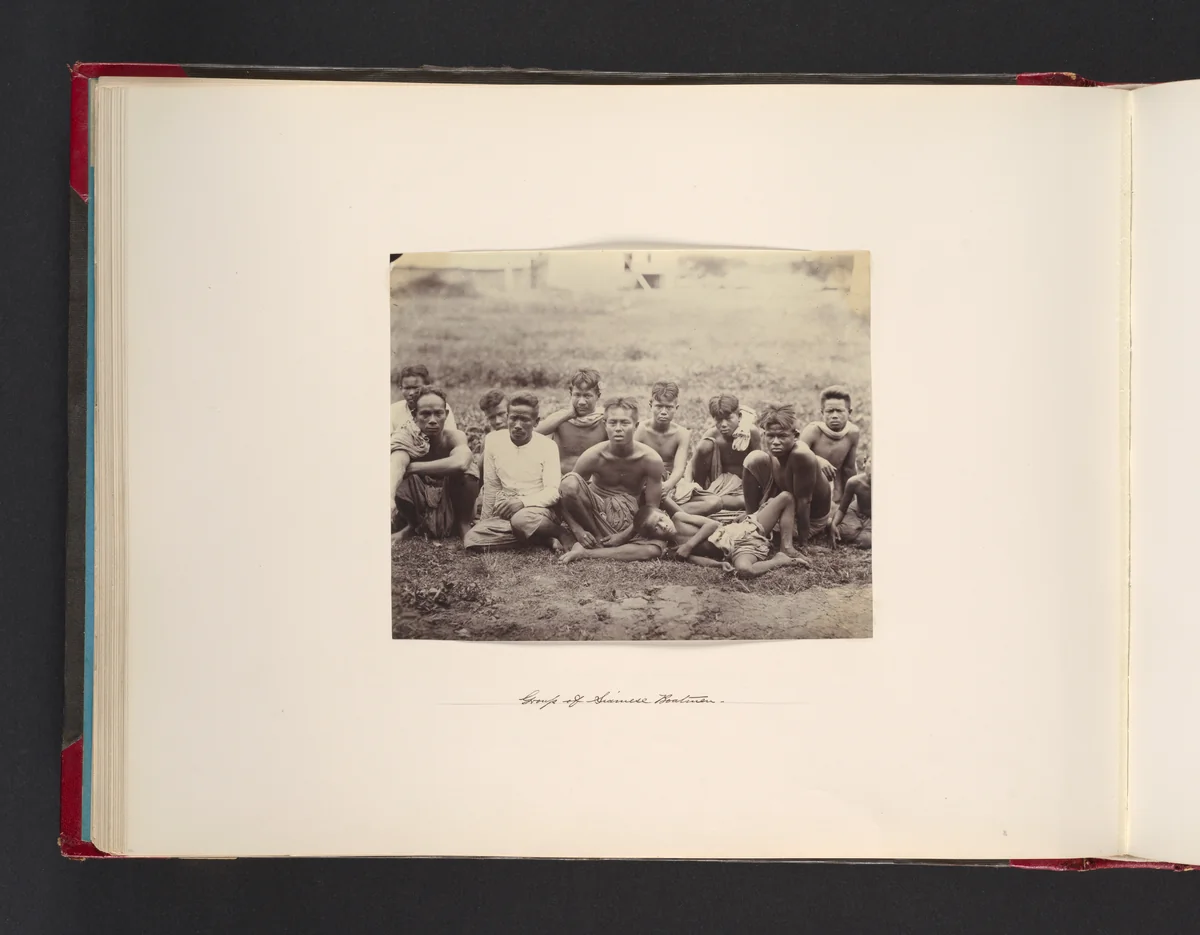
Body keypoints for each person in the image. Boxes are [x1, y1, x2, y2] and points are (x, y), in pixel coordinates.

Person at [556, 396, 666, 554]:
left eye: (625, 423)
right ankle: (596, 537)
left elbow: (651, 508)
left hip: (631, 519)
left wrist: (624, 536)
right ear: (604, 425)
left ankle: (593, 552)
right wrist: (578, 529)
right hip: (594, 515)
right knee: (568, 483)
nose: (618, 428)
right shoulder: (594, 455)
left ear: (636, 426)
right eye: (613, 423)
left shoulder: (650, 459)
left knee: (652, 550)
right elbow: (564, 494)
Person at [463, 392, 569, 553]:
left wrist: (522, 502)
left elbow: (553, 492)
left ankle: (560, 533)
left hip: (539, 510)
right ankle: (543, 539)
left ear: (536, 422)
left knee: (521, 520)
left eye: (525, 420)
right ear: (508, 418)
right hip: (506, 510)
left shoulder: (548, 446)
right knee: (472, 539)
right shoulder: (493, 441)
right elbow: (492, 486)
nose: (518, 425)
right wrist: (485, 521)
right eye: (513, 418)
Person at [741, 403, 833, 557]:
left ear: (795, 436)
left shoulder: (800, 455)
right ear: (764, 435)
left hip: (809, 521)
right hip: (788, 504)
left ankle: (756, 527)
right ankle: (751, 518)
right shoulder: (777, 450)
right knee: (754, 458)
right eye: (771, 435)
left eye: (782, 436)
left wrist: (804, 544)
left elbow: (805, 502)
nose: (775, 441)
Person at [391, 387, 478, 541]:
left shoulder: (454, 437)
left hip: (451, 498)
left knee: (470, 471)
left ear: (446, 414)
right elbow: (396, 466)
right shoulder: (405, 438)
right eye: (425, 414)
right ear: (414, 415)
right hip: (419, 501)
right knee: (397, 472)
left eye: (438, 413)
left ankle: (463, 525)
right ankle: (411, 526)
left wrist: (412, 468)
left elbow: (462, 463)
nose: (432, 420)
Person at [672, 394, 762, 516]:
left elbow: (760, 463)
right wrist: (689, 485)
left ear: (739, 416)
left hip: (743, 486)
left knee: (740, 501)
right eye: (719, 420)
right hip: (716, 484)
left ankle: (708, 502)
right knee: (704, 446)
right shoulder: (712, 434)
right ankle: (701, 493)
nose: (723, 424)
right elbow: (692, 462)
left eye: (729, 418)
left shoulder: (750, 433)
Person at [535, 369, 610, 474]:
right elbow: (534, 434)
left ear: (598, 396)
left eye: (587, 396)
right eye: (577, 395)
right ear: (571, 394)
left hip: (593, 482)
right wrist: (568, 415)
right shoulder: (560, 418)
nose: (582, 402)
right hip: (560, 478)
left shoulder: (604, 420)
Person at [799, 385, 861, 501]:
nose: (834, 416)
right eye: (829, 411)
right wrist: (817, 460)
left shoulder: (852, 432)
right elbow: (796, 455)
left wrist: (851, 499)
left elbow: (849, 468)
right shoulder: (813, 430)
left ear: (849, 412)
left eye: (839, 411)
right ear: (822, 412)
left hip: (833, 486)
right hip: (808, 484)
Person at [632, 381, 691, 497]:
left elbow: (679, 468)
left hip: (671, 484)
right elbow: (631, 462)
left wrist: (668, 485)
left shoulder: (682, 433)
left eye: (669, 407)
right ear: (651, 406)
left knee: (713, 502)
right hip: (644, 482)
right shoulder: (641, 430)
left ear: (676, 408)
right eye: (659, 406)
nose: (663, 412)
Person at [391, 364, 458, 440]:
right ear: (401, 388)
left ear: (427, 387)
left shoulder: (440, 407)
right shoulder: (393, 410)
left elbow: (451, 438)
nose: (411, 393)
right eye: (407, 388)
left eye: (416, 387)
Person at [832, 462, 872, 549]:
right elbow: (842, 508)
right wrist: (833, 524)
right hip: (857, 511)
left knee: (865, 541)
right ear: (864, 462)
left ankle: (861, 531)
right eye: (871, 462)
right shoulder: (854, 482)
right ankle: (830, 521)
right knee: (845, 533)